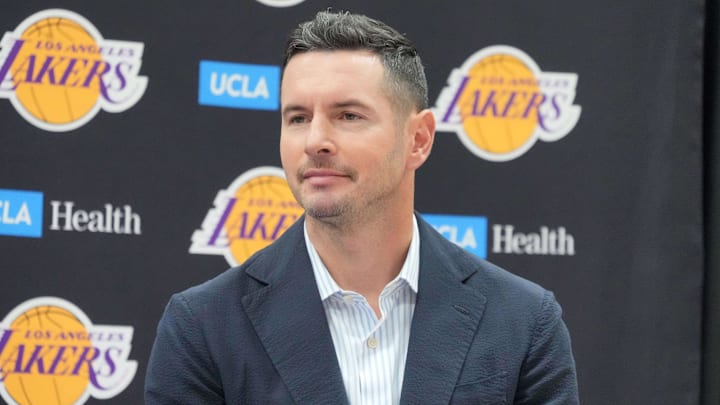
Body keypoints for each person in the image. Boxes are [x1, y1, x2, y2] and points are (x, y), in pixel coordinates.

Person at [145, 10, 579, 404]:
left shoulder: (523, 321)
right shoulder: (202, 326)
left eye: (348, 115)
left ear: (419, 139)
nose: (315, 140)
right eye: (297, 117)